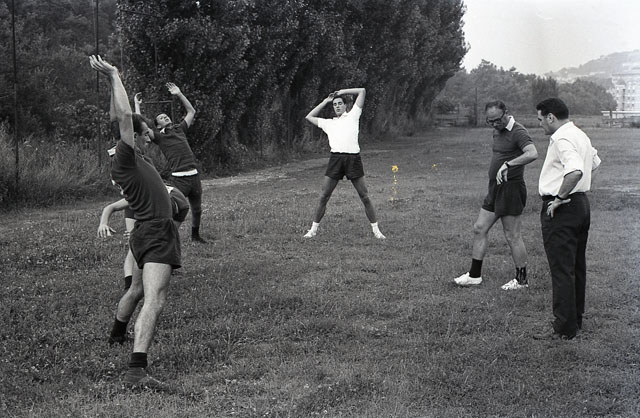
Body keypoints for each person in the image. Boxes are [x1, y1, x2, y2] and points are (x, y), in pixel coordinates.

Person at [90, 55, 180, 390]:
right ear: (134, 138)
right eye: (145, 135)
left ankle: (116, 335)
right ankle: (136, 371)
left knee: (137, 289)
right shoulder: (127, 157)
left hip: (144, 231)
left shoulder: (133, 158)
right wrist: (115, 74)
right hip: (155, 231)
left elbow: (119, 115)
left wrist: (111, 83)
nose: (149, 138)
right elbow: (126, 118)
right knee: (155, 298)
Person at [534, 97, 601, 340]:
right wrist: (578, 188)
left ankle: (564, 328)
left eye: (541, 119)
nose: (540, 124)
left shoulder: (561, 138)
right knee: (576, 266)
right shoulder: (579, 134)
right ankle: (574, 320)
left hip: (563, 207)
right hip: (581, 205)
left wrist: (560, 197)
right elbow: (595, 163)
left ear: (551, 117)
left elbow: (575, 170)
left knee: (562, 268)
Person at [453, 101, 538, 290]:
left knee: (512, 235)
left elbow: (532, 153)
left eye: (497, 120)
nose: (494, 124)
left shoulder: (518, 131)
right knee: (479, 228)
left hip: (511, 189)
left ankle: (521, 280)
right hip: (495, 188)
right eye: (490, 121)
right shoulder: (496, 130)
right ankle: (474, 276)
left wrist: (509, 164)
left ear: (506, 113)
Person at [303, 88, 385, 239]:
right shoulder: (329, 123)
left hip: (353, 159)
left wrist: (341, 92)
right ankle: (313, 230)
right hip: (336, 160)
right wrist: (325, 101)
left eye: (340, 103)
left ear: (345, 105)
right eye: (335, 105)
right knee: (324, 196)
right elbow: (309, 116)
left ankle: (376, 231)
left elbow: (362, 91)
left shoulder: (353, 116)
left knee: (364, 196)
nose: (337, 106)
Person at [134, 84, 206, 243]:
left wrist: (179, 93)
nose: (165, 117)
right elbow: (140, 126)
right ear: (158, 125)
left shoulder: (180, 129)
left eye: (166, 115)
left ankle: (195, 236)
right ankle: (164, 236)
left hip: (194, 176)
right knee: (173, 208)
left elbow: (191, 111)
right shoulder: (159, 136)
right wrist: (136, 106)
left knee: (197, 209)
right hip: (179, 179)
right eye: (161, 117)